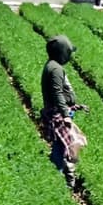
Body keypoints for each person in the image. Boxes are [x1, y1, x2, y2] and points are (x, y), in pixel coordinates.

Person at [40, 35, 88, 189]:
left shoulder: (53, 66)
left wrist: (75, 106)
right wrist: (66, 115)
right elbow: (57, 93)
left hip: (59, 111)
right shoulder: (55, 69)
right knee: (64, 147)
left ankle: (65, 178)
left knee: (63, 146)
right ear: (62, 52)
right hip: (58, 113)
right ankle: (60, 179)